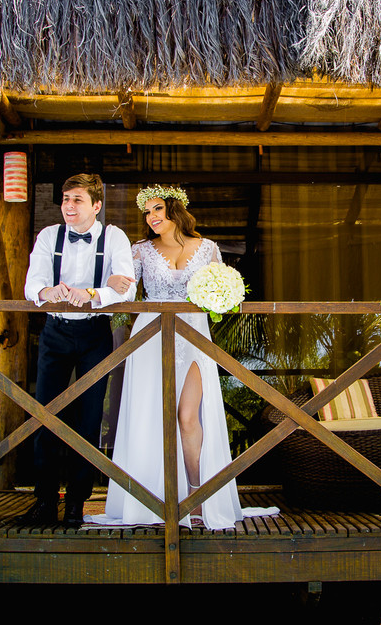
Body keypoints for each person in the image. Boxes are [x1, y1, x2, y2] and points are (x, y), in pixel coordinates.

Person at [88, 185, 277, 530]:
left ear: (174, 210)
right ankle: (152, 500)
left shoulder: (207, 248)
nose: (151, 217)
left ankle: (197, 497)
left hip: (193, 335)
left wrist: (223, 297)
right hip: (150, 336)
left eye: (157, 209)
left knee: (188, 417)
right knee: (152, 419)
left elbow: (227, 294)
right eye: (146, 213)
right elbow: (128, 289)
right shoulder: (141, 250)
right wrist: (114, 282)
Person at [21, 173, 136, 526]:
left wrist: (92, 295)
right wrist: (46, 293)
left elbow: (126, 287)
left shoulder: (114, 236)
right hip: (55, 332)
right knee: (45, 414)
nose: (69, 206)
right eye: (66, 199)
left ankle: (76, 503)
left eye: (77, 200)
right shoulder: (48, 236)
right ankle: (43, 500)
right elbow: (33, 283)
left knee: (88, 420)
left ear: (96, 206)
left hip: (94, 334)